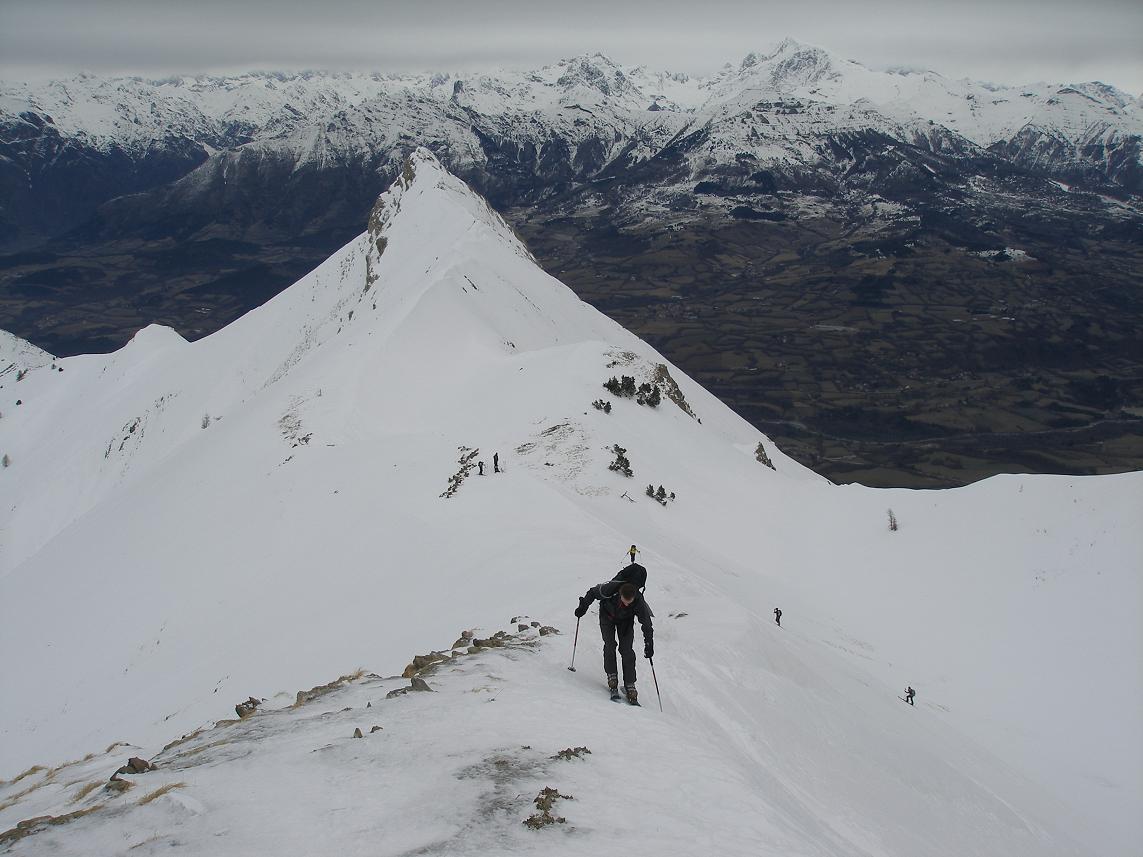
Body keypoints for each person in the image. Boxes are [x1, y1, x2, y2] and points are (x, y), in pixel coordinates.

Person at [575, 579, 653, 703]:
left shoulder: (638, 601)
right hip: (607, 616)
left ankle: (630, 684)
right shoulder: (610, 589)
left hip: (626, 622)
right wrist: (583, 606)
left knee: (627, 651)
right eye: (624, 601)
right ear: (620, 595)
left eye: (629, 602)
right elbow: (593, 592)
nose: (627, 604)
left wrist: (649, 643)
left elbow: (647, 623)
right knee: (610, 645)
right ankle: (612, 677)